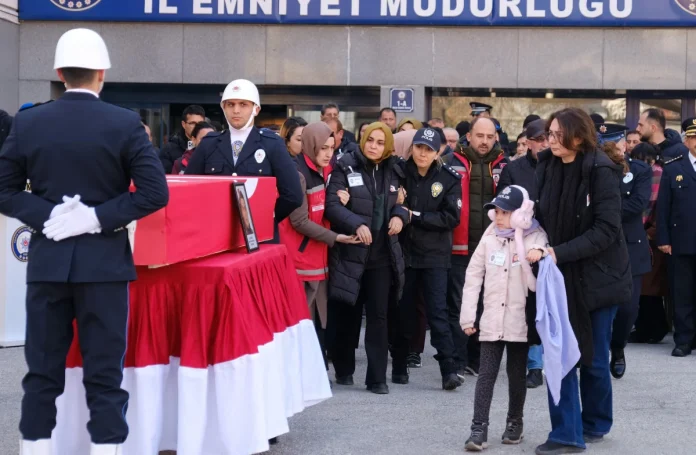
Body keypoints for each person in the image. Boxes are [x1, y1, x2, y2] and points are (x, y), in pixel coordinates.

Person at [0, 28, 169, 455]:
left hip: (47, 265)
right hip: (105, 267)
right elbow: (154, 193)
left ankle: (34, 449)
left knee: (41, 372)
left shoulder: (29, 121)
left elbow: (3, 190)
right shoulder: (125, 122)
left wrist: (50, 214)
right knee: (104, 374)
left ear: (58, 72)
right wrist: (94, 218)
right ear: (102, 72)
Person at [534, 108, 631, 455]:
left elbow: (606, 230)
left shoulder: (601, 171)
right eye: (550, 133)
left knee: (592, 358)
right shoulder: (545, 165)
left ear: (579, 136)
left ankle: (594, 423)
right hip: (560, 277)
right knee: (561, 355)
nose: (552, 140)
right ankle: (567, 433)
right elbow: (537, 214)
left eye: (559, 134)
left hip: (599, 280)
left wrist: (559, 252)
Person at [461, 185, 549, 451]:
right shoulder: (489, 238)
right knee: (486, 375)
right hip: (491, 320)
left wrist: (540, 254)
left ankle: (514, 422)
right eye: (496, 211)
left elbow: (547, 256)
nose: (499, 217)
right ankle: (478, 428)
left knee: (515, 375)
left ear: (522, 214)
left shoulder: (535, 236)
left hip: (519, 321)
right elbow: (473, 277)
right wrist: (468, 317)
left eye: (505, 212)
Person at [324, 122, 408, 395]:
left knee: (378, 317)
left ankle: (376, 379)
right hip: (352, 252)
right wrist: (355, 223)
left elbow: (405, 203)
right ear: (362, 140)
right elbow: (332, 205)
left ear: (388, 146)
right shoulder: (345, 165)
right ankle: (344, 370)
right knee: (347, 313)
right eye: (370, 140)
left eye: (380, 142)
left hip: (382, 256)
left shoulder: (395, 168)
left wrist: (399, 216)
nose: (374, 146)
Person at [390, 127, 463, 391]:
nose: (423, 153)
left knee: (438, 313)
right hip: (404, 254)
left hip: (435, 256)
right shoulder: (399, 171)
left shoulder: (449, 178)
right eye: (419, 147)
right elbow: (388, 201)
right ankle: (399, 367)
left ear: (438, 152)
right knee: (403, 311)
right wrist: (399, 208)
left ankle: (449, 371)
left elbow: (450, 218)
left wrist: (413, 216)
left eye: (429, 149)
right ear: (413, 148)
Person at [184, 79, 303, 231]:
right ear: (223, 108)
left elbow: (293, 195)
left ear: (256, 109)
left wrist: (265, 217)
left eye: (243, 104)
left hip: (258, 235)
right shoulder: (209, 144)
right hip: (215, 233)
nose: (236, 110)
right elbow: (189, 191)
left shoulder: (272, 144)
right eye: (230, 104)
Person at [442, 117, 508, 379]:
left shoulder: (505, 165)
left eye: (489, 137)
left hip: (495, 246)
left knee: (488, 303)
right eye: (479, 135)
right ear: (468, 136)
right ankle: (457, 359)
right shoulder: (450, 163)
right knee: (460, 302)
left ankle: (478, 359)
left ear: (496, 138)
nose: (484, 141)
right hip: (460, 245)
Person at [594, 126, 652, 379]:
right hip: (599, 247)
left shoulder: (640, 170)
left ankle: (617, 348)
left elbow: (637, 204)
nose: (618, 149)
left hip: (630, 246)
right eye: (611, 145)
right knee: (597, 305)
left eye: (619, 144)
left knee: (628, 308)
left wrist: (606, 209)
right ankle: (594, 352)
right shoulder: (594, 170)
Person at [497, 118, 550, 389]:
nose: (544, 144)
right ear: (528, 142)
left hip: (552, 244)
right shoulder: (514, 169)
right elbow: (501, 207)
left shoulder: (558, 164)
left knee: (549, 304)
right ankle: (533, 364)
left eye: (547, 138)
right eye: (539, 140)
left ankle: (551, 359)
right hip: (522, 243)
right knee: (528, 303)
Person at [656, 117, 696, 357]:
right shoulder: (673, 167)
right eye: (693, 138)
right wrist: (663, 239)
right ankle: (683, 340)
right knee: (681, 293)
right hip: (681, 242)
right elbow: (663, 207)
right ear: (687, 141)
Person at [631, 142, 671, 344]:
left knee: (648, 289)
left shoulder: (656, 175)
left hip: (651, 238)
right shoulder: (657, 173)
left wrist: (649, 232)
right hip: (648, 236)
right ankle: (649, 328)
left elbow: (660, 208)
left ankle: (653, 328)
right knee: (647, 288)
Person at [159, 104, 205, 173]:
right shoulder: (169, 150)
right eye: (192, 123)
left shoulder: (210, 146)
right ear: (183, 124)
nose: (197, 127)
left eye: (200, 123)